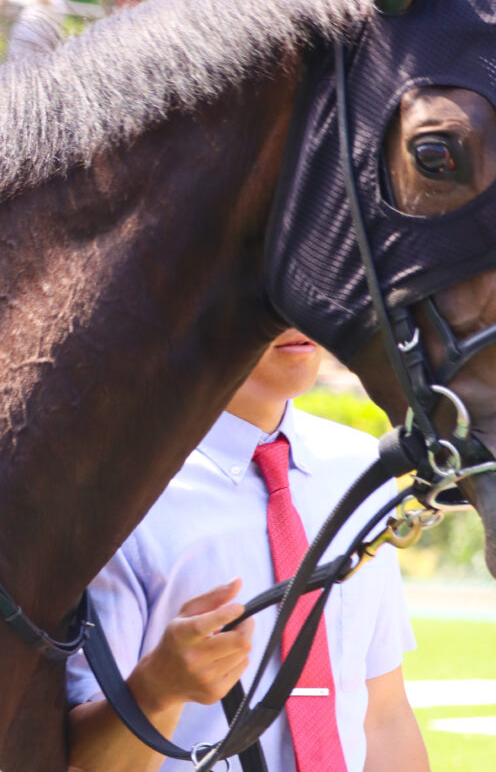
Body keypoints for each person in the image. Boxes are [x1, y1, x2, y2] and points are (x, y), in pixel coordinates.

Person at [66, 328, 430, 772]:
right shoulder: (116, 492)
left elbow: (384, 713)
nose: (294, 315)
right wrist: (158, 690)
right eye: (268, 290)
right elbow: (86, 762)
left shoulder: (361, 469)